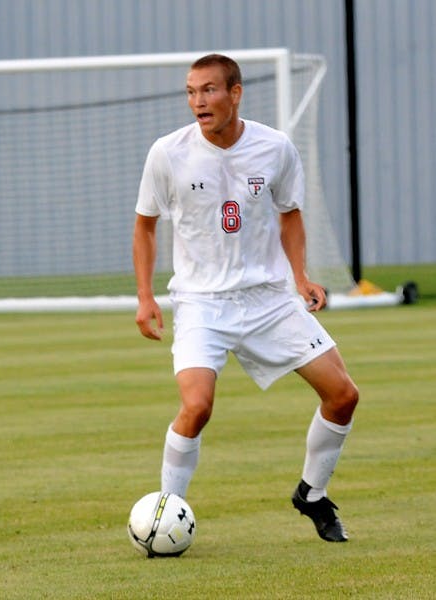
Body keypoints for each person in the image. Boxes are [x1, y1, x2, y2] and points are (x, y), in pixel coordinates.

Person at [132, 54, 359, 542]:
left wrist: (300, 277)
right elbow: (145, 226)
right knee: (197, 406)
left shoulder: (275, 147)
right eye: (191, 91)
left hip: (268, 299)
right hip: (201, 303)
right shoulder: (168, 153)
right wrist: (146, 297)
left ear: (235, 93)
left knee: (343, 396)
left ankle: (312, 495)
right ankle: (164, 515)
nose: (198, 101)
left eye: (209, 90)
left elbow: (290, 214)